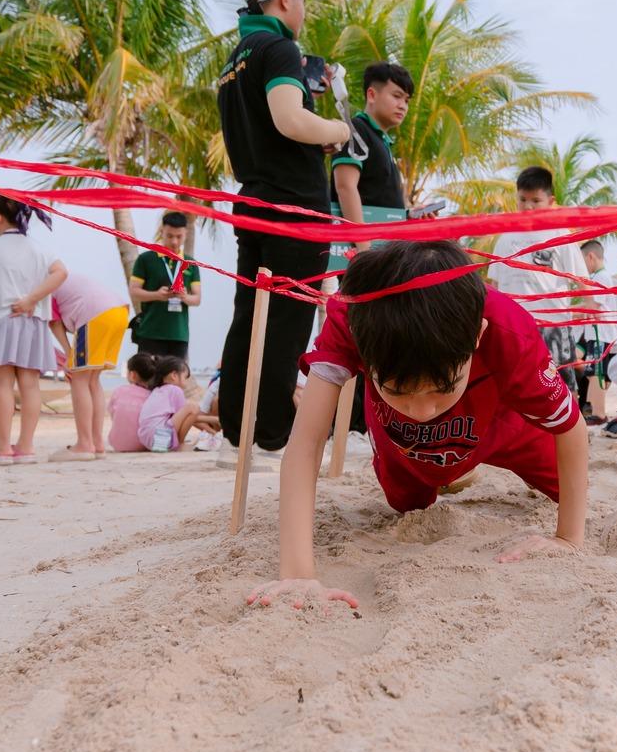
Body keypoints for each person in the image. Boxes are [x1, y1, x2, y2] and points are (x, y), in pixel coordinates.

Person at [248, 240, 590, 611]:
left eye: (441, 390)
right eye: (398, 390)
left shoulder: (509, 331)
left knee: (570, 488)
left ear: (477, 335)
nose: (423, 411)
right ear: (361, 346)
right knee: (406, 503)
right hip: (403, 439)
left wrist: (567, 539)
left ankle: (459, 456)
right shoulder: (352, 315)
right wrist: (297, 573)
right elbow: (307, 441)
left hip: (501, 423)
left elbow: (571, 427)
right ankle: (449, 463)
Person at [215, 0, 351, 466]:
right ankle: (272, 436)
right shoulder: (279, 48)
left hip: (254, 199)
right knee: (287, 321)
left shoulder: (236, 58)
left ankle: (237, 435)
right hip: (294, 205)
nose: (304, 8)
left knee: (249, 319)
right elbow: (290, 120)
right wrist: (339, 131)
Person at [0, 196, 65, 467]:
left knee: (2, 385)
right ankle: (26, 447)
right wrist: (32, 299)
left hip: (2, 321)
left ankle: (3, 448)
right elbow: (61, 273)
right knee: (30, 385)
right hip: (34, 323)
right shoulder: (40, 249)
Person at [487, 165, 591, 376]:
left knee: (560, 382)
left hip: (553, 325)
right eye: (523, 199)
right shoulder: (505, 239)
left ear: (550, 202)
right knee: (514, 383)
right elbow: (495, 287)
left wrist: (589, 308)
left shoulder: (560, 235)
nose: (528, 206)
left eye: (536, 201)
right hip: (513, 328)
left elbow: (582, 280)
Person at [48, 268, 128, 461]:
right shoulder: (65, 277)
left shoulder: (46, 284)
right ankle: (97, 444)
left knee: (79, 379)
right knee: (92, 380)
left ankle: (84, 444)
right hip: (119, 312)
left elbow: (54, 323)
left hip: (95, 314)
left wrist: (68, 355)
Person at [332, 62, 412, 225]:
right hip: (363, 238)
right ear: (372, 95)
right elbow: (345, 187)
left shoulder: (382, 140)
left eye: (407, 101)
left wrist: (408, 214)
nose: (402, 106)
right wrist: (361, 238)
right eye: (397, 96)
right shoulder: (355, 129)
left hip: (384, 237)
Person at [128, 212, 201, 361]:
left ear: (186, 234)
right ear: (162, 232)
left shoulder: (190, 263)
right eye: (169, 236)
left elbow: (197, 299)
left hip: (179, 335)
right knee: (149, 374)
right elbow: (134, 291)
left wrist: (183, 296)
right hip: (150, 332)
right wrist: (157, 295)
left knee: (175, 375)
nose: (174, 241)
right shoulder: (146, 259)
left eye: (179, 237)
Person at [576, 238, 617, 422]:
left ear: (591, 257)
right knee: (593, 373)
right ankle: (594, 409)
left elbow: (593, 306)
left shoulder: (601, 278)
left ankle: (599, 414)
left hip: (600, 333)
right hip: (596, 334)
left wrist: (567, 309)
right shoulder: (599, 278)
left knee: (597, 374)